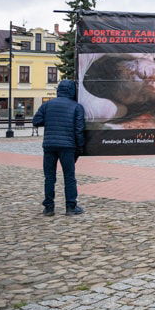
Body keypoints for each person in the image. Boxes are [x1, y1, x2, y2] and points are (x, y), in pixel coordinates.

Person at [32, 80, 87, 216]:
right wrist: (80, 148)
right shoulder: (77, 107)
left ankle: (49, 207)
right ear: (72, 91)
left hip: (49, 145)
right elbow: (79, 129)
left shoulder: (47, 105)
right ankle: (71, 207)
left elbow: (36, 121)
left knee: (49, 177)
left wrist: (50, 120)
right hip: (68, 146)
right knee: (69, 177)